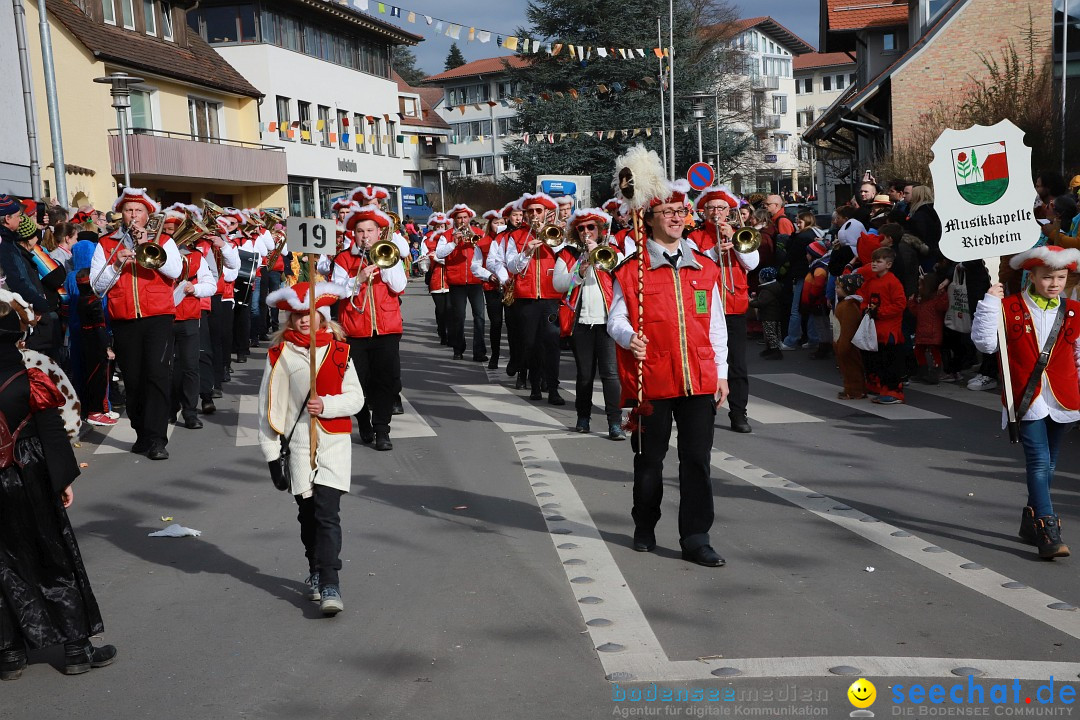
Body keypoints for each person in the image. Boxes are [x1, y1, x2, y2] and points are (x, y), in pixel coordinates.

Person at [607, 175, 730, 568]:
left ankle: (696, 537)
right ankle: (645, 524)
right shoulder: (631, 270)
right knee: (649, 461)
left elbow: (716, 325)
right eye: (669, 212)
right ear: (650, 217)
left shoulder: (704, 266)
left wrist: (722, 373)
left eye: (682, 211)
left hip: (698, 377)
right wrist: (629, 338)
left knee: (697, 460)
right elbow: (615, 319)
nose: (678, 218)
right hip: (652, 380)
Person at [0, 290, 116, 680]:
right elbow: (51, 430)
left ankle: (9, 653)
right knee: (54, 555)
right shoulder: (28, 375)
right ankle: (76, 648)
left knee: (4, 563)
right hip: (30, 469)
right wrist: (63, 479)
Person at [258, 282, 365, 614]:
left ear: (323, 317)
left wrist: (328, 405)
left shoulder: (340, 351)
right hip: (299, 445)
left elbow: (357, 398)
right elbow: (268, 407)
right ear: (291, 318)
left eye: (311, 314)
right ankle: (316, 569)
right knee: (308, 517)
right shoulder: (279, 354)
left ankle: (331, 581)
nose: (305, 320)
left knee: (327, 514)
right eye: (299, 315)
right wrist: (271, 454)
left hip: (333, 441)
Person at [970, 246, 1080, 559]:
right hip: (1026, 398)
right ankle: (1047, 528)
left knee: (1051, 462)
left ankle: (1031, 520)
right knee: (1039, 460)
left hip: (1065, 399)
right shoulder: (1009, 306)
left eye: (1060, 277)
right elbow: (986, 343)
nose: (1054, 283)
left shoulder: (1074, 310)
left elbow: (1079, 354)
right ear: (1031, 276)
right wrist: (991, 300)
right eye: (1047, 277)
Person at [89, 188, 183, 460]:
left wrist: (147, 245)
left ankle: (156, 439)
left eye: (138, 211)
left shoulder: (164, 240)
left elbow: (175, 271)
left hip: (158, 317)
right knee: (133, 379)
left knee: (156, 374)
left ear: (147, 215)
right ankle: (141, 432)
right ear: (121, 214)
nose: (133, 215)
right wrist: (115, 264)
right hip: (125, 319)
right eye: (129, 210)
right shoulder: (106, 244)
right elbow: (97, 287)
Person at [332, 204, 406, 451]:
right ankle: (363, 421)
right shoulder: (344, 258)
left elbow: (398, 286)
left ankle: (382, 430)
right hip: (355, 330)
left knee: (386, 381)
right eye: (360, 231)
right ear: (354, 235)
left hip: (387, 329)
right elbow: (337, 291)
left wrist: (384, 268)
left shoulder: (390, 254)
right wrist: (359, 279)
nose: (365, 235)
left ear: (379, 233)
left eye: (370, 231)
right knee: (357, 383)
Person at [688, 187, 758, 433]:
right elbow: (692, 265)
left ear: (729, 212)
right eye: (711, 208)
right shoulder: (694, 237)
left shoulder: (740, 233)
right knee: (706, 360)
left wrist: (735, 242)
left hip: (734, 304)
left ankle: (739, 413)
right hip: (705, 306)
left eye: (721, 208)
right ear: (704, 212)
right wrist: (713, 252)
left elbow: (753, 263)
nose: (716, 212)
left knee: (737, 364)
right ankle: (705, 408)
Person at [552, 208, 625, 440]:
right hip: (580, 323)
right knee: (584, 375)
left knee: (611, 375)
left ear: (600, 231)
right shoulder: (568, 254)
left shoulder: (612, 252)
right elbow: (558, 285)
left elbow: (624, 276)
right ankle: (583, 418)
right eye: (581, 228)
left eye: (591, 227)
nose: (586, 232)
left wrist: (599, 254)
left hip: (607, 324)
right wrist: (579, 272)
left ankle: (614, 423)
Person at [505, 193, 566, 404]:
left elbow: (566, 256)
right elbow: (512, 266)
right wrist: (527, 251)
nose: (534, 215)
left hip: (550, 296)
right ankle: (535, 385)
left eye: (538, 211)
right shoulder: (516, 237)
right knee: (530, 343)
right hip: (526, 297)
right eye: (530, 211)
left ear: (546, 213)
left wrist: (550, 238)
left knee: (551, 343)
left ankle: (553, 388)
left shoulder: (556, 233)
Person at [436, 204, 487, 362]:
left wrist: (473, 237)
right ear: (454, 219)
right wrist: (454, 243)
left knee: (479, 316)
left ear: (469, 218)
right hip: (456, 281)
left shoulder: (478, 233)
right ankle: (458, 349)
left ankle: (479, 352)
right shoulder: (447, 235)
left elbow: (486, 251)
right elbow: (439, 253)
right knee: (458, 317)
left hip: (475, 280)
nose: (462, 221)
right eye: (459, 218)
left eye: (465, 218)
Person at [860, 246, 908, 404]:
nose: (874, 264)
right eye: (873, 260)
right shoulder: (872, 281)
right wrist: (866, 308)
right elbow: (864, 298)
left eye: (878, 261)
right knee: (877, 361)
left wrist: (879, 312)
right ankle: (880, 387)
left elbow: (900, 304)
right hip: (874, 330)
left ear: (888, 264)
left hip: (889, 331)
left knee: (890, 363)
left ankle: (894, 392)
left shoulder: (893, 282)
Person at [472, 209, 508, 370]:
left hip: (510, 287)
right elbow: (475, 266)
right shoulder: (483, 242)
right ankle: (495, 355)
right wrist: (488, 276)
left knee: (513, 324)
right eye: (496, 223)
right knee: (496, 323)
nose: (499, 225)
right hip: (492, 286)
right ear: (490, 225)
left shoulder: (510, 239)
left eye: (502, 222)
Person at [834, 273, 867, 399]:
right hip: (841, 343)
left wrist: (843, 345)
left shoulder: (849, 307)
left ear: (847, 289)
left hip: (846, 344)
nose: (836, 289)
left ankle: (855, 390)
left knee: (851, 367)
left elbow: (848, 329)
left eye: (839, 287)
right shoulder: (845, 304)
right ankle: (851, 388)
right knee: (846, 367)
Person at [911, 272, 949, 384]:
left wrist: (942, 294)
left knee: (934, 353)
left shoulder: (936, 299)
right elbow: (916, 312)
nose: (919, 288)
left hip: (932, 333)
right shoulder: (921, 300)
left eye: (921, 285)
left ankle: (934, 374)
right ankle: (923, 371)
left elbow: (943, 306)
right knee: (919, 351)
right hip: (922, 332)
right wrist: (911, 302)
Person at [419, 212, 450, 345]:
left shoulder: (451, 237)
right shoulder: (427, 240)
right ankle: (442, 332)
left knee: (450, 308)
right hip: (435, 278)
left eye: (442, 225)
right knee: (441, 309)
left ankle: (450, 334)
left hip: (450, 279)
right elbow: (425, 262)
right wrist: (424, 261)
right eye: (437, 226)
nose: (440, 228)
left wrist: (437, 257)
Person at [749, 266, 784, 360]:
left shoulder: (767, 290)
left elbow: (761, 303)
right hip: (774, 315)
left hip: (769, 316)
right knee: (772, 333)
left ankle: (775, 351)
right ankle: (770, 349)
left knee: (770, 334)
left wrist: (750, 301)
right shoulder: (774, 287)